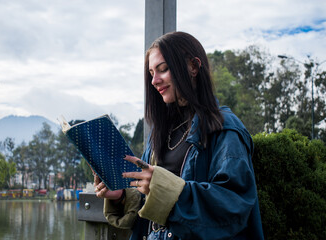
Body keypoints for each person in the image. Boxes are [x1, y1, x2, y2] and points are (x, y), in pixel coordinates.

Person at [94, 31, 264, 240]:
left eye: (163, 69)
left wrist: (165, 189)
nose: (155, 81)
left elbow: (234, 205)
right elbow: (150, 204)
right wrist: (120, 196)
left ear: (193, 66)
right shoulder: (160, 132)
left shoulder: (225, 128)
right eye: (151, 73)